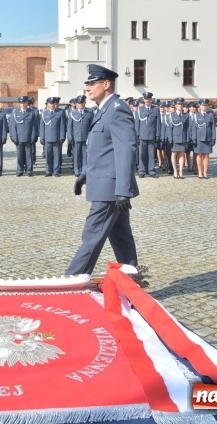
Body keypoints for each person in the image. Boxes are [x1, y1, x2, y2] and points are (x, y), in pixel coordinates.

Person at [67, 64, 138, 276]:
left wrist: (123, 190)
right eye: (87, 84)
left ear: (106, 85)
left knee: (92, 236)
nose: (87, 88)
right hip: (104, 183)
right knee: (122, 239)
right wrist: (85, 174)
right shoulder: (103, 110)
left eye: (92, 83)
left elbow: (125, 151)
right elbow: (102, 150)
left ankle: (71, 281)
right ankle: (131, 280)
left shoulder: (117, 109)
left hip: (110, 189)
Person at [9, 96, 38, 177]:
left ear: (27, 103)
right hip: (19, 138)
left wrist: (33, 136)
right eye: (21, 103)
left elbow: (34, 126)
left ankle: (29, 170)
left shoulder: (32, 113)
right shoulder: (15, 113)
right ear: (19, 104)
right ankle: (20, 170)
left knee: (29, 155)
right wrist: (13, 137)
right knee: (19, 155)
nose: (22, 104)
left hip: (28, 138)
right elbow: (12, 126)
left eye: (24, 103)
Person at [67, 95, 94, 177]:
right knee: (76, 156)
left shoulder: (89, 113)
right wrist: (70, 137)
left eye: (82, 103)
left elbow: (92, 126)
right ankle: (77, 171)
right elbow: (69, 127)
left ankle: (84, 171)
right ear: (76, 104)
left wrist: (91, 137)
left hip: (86, 138)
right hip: (76, 138)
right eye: (79, 103)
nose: (81, 104)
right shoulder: (72, 113)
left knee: (85, 156)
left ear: (85, 103)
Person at [135, 91, 160, 178]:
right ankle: (141, 171)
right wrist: (137, 135)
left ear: (151, 99)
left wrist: (158, 134)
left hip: (152, 135)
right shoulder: (139, 110)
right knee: (142, 154)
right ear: (144, 100)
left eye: (149, 99)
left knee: (151, 154)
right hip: (142, 135)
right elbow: (137, 124)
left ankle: (151, 171)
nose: (147, 100)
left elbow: (158, 123)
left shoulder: (155, 109)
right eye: (146, 99)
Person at [40, 97, 66, 177]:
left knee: (57, 155)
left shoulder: (60, 113)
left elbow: (62, 126)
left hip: (56, 138)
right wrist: (42, 137)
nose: (52, 105)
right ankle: (48, 171)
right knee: (48, 155)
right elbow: (42, 127)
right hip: (47, 138)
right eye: (50, 103)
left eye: (53, 103)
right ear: (47, 104)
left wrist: (62, 137)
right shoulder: (44, 113)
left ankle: (56, 171)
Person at [190, 99, 216, 179]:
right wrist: (193, 138)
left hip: (208, 138)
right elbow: (194, 128)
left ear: (207, 106)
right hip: (199, 138)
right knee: (199, 155)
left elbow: (213, 127)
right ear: (200, 106)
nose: (204, 107)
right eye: (202, 105)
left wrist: (213, 138)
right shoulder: (196, 115)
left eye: (205, 105)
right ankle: (200, 172)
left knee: (206, 156)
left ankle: (205, 173)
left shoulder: (210, 115)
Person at [168, 98, 189, 178]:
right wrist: (170, 138)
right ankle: (175, 171)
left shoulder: (186, 115)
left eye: (182, 104)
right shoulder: (172, 115)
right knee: (174, 154)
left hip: (183, 137)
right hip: (175, 137)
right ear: (176, 105)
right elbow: (170, 128)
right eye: (179, 104)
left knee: (182, 154)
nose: (180, 105)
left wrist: (187, 139)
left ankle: (180, 171)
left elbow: (187, 128)